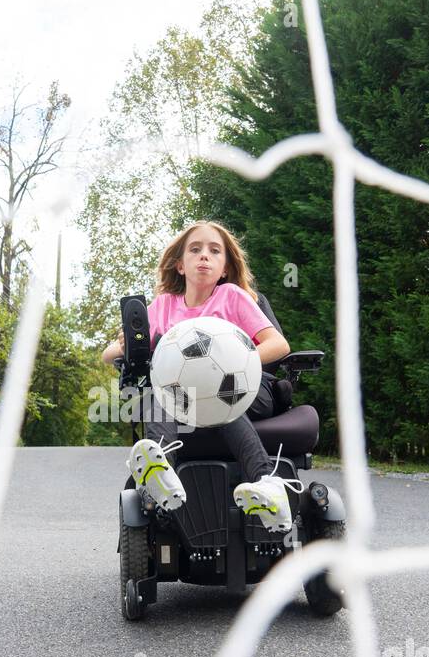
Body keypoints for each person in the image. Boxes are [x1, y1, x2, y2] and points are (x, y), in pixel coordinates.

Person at [101, 220, 302, 532]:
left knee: (218, 396)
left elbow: (278, 345)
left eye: (214, 250)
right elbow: (108, 354)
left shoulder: (232, 297)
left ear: (224, 267)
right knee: (160, 391)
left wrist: (238, 364)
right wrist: (124, 346)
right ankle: (160, 471)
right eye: (195, 250)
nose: (204, 256)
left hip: (245, 388)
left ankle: (268, 483)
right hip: (184, 399)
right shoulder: (164, 306)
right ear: (180, 266)